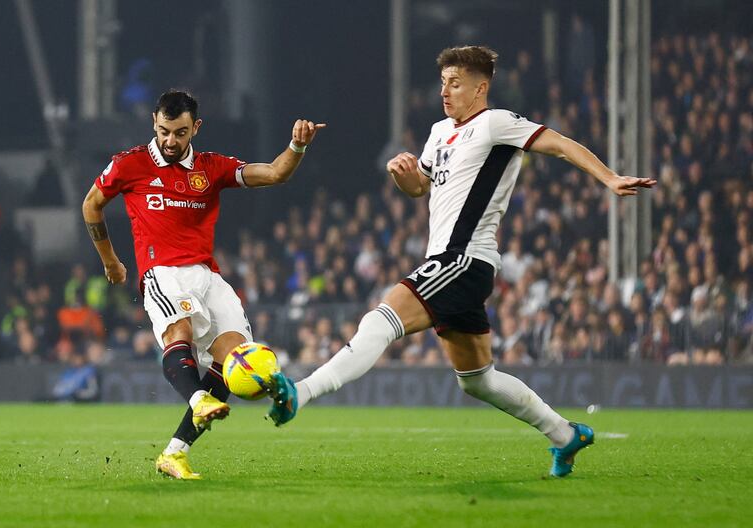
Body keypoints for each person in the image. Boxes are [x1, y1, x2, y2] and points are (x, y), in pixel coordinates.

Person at [268, 46, 656, 477]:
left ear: (480, 87)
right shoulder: (438, 132)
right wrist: (405, 177)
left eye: (455, 83)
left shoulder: (496, 123)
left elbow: (561, 145)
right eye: (442, 83)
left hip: (464, 259)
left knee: (380, 320)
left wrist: (610, 178)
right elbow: (421, 189)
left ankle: (299, 393)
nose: (445, 92)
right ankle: (566, 435)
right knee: (476, 379)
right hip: (451, 263)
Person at [82, 90, 324, 479]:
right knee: (180, 330)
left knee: (234, 361)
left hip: (207, 276)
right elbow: (91, 203)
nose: (170, 141)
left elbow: (277, 173)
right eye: (163, 131)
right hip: (162, 273)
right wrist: (110, 260)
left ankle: (174, 454)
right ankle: (196, 398)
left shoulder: (212, 168)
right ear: (154, 124)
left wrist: (297, 144)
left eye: (179, 133)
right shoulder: (131, 164)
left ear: (195, 127)